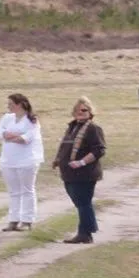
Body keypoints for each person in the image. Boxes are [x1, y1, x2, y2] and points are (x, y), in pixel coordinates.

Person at [54, 95, 105, 244]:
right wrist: (58, 159)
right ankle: (86, 232)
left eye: (84, 109)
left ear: (90, 112)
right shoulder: (72, 127)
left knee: (83, 202)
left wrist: (82, 162)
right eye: (77, 110)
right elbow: (65, 146)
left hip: (85, 174)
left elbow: (99, 150)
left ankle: (85, 233)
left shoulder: (93, 129)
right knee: (80, 202)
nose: (80, 112)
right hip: (69, 173)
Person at [0, 93, 42, 232]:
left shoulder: (31, 120)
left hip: (27, 160)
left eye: (11, 104)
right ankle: (13, 220)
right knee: (13, 191)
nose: (8, 106)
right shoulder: (7, 118)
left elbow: (27, 138)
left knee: (27, 190)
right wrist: (6, 135)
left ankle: (27, 220)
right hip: (8, 160)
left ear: (20, 104)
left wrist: (11, 137)